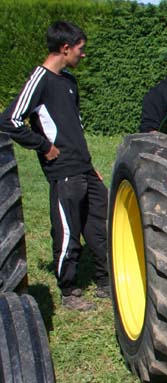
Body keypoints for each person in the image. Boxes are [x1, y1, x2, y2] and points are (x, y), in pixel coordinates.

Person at [0, 21, 108, 312]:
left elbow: (76, 127)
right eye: (80, 49)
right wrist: (44, 146)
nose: (83, 55)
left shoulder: (69, 81)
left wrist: (90, 164)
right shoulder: (40, 79)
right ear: (65, 48)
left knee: (101, 224)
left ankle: (106, 282)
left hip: (84, 167)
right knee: (68, 230)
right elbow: (9, 120)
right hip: (63, 170)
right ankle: (70, 290)